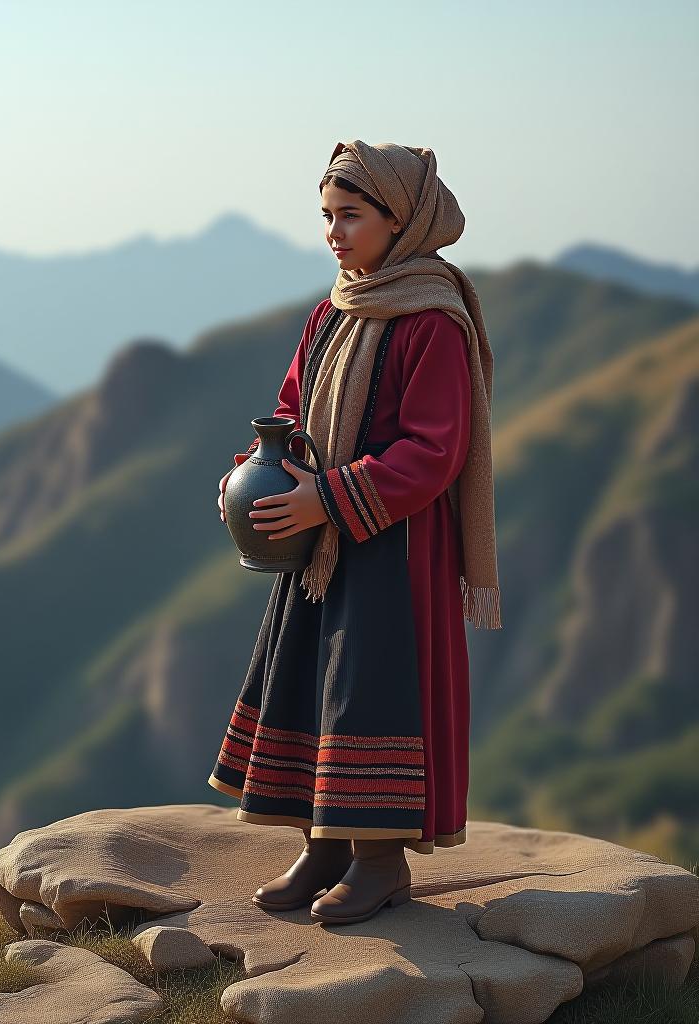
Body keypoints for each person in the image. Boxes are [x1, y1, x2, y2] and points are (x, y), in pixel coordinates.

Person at [211, 140, 502, 926]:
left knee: (370, 691)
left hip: (394, 548)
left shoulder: (431, 321)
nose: (335, 233)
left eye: (352, 216)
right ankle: (324, 843)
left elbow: (434, 451)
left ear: (400, 220)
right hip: (322, 547)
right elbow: (292, 409)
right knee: (314, 682)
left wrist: (327, 499)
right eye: (327, 217)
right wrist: (252, 476)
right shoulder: (335, 308)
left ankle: (381, 863)